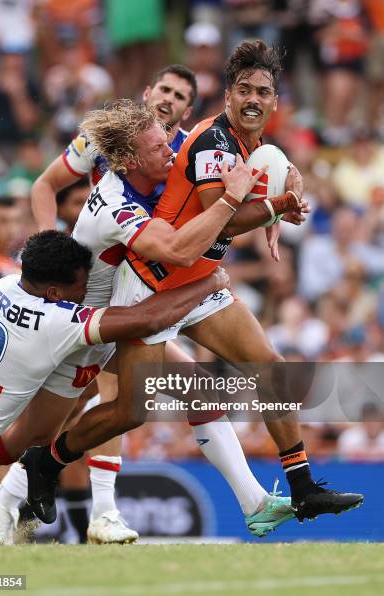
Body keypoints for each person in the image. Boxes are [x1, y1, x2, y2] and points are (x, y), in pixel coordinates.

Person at [22, 41, 362, 527]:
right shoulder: (212, 142)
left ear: (274, 102)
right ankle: (48, 461)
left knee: (269, 367)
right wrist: (275, 207)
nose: (252, 98)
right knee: (131, 411)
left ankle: (303, 487)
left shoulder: (249, 146)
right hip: (150, 286)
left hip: (200, 282)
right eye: (242, 89)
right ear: (227, 96)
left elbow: (277, 165)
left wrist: (290, 186)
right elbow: (219, 219)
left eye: (262, 91)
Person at [0, 65, 296, 545]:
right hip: (86, 318)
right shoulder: (108, 173)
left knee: (181, 392)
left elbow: (205, 188)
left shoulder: (168, 153)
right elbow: (49, 188)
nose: (170, 102)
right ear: (147, 94)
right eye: (165, 91)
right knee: (44, 428)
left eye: (181, 96)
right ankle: (75, 505)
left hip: (125, 298)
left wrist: (268, 207)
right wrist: (49, 244)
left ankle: (252, 502)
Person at [0, 230, 231, 495]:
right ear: (54, 294)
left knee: (32, 435)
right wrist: (211, 283)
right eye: (83, 287)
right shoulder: (55, 322)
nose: (87, 294)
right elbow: (148, 321)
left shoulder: (4, 285)